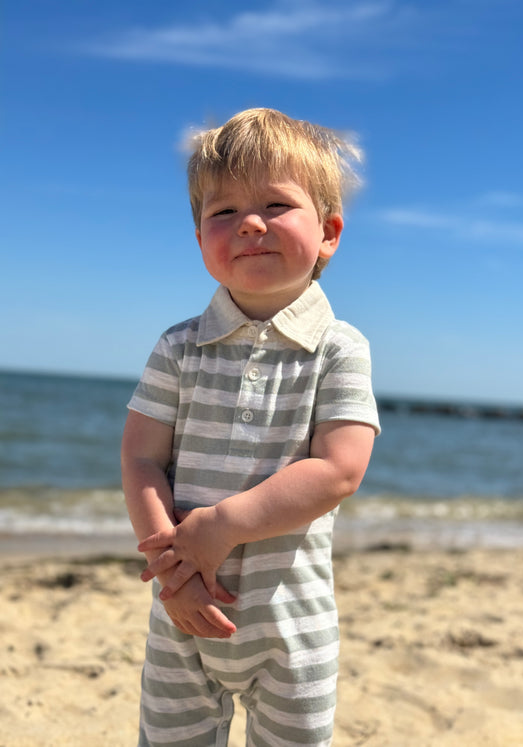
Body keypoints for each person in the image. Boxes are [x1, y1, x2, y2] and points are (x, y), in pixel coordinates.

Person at [121, 107, 381, 747]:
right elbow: (141, 458)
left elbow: (340, 470)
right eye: (223, 212)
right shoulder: (180, 347)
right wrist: (173, 568)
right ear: (200, 238)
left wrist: (222, 526)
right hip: (183, 608)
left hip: (291, 621)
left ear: (329, 233)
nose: (251, 224)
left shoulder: (339, 348)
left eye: (276, 204)